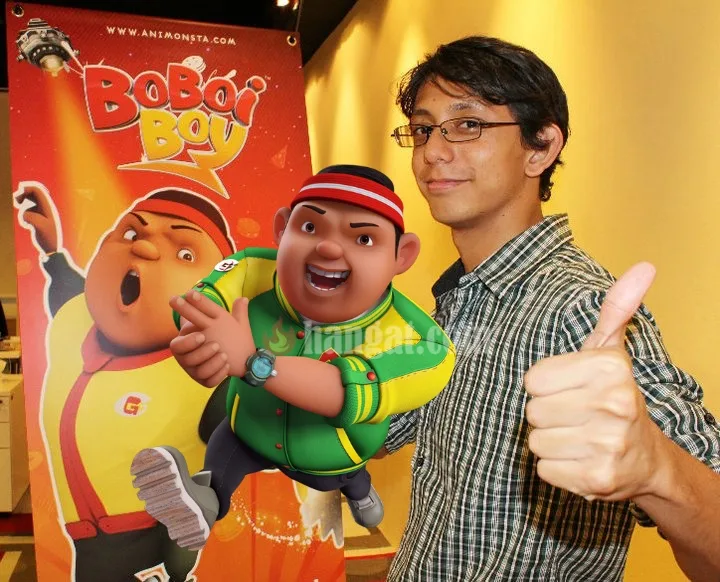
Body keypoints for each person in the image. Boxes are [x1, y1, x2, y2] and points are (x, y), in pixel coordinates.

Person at [381, 36, 720, 582]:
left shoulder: (579, 307)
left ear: (540, 147)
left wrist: (656, 467)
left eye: (467, 125)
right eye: (423, 130)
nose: (433, 152)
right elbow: (380, 431)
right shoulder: (460, 300)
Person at [130, 165, 456, 551]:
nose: (328, 248)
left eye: (364, 238)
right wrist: (201, 339)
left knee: (345, 479)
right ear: (282, 229)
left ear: (401, 256)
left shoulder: (423, 342)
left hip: (331, 457)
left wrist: (252, 362)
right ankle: (200, 504)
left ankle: (360, 490)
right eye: (310, 227)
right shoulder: (252, 268)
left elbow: (347, 391)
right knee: (219, 465)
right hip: (249, 431)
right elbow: (201, 300)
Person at [14, 183, 235, 582]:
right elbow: (70, 293)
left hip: (147, 531)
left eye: (185, 253)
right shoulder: (76, 320)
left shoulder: (208, 374)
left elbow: (255, 426)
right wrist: (52, 251)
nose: (144, 248)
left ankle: (194, 516)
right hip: (87, 540)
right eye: (132, 233)